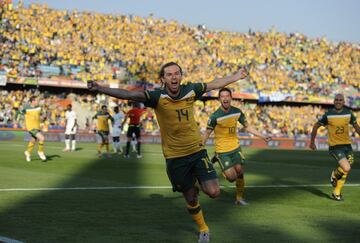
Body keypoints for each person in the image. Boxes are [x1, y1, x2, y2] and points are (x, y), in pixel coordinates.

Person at [88, 61, 248, 243]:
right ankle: (203, 229)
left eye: (177, 73)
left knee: (213, 192)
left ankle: (196, 180)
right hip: (175, 158)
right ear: (163, 79)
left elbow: (214, 84)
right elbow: (128, 94)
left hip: (197, 152)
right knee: (191, 197)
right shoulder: (157, 97)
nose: (174, 77)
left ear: (181, 76)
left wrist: (235, 77)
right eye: (169, 74)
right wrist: (100, 88)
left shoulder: (191, 90)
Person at [202, 88, 272, 205]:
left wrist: (262, 136)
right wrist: (199, 147)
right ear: (219, 99)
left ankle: (239, 198)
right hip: (222, 150)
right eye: (222, 96)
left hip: (235, 147)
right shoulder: (214, 116)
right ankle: (218, 158)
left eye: (227, 96)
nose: (225, 98)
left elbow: (247, 127)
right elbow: (207, 133)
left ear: (231, 98)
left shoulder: (237, 112)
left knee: (240, 171)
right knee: (231, 178)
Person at [310, 94, 360, 201]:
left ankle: (336, 192)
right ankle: (334, 176)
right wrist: (312, 141)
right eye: (336, 100)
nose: (338, 101)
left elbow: (356, 127)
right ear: (333, 101)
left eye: (340, 100)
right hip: (335, 147)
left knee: (346, 169)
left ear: (343, 102)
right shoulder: (328, 115)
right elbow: (316, 126)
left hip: (347, 146)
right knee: (346, 167)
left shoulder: (349, 113)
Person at [23, 96, 47, 162]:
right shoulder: (26, 108)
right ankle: (40, 151)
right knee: (42, 138)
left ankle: (28, 153)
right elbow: (19, 113)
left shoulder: (39, 108)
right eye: (36, 100)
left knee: (33, 140)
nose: (37, 101)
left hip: (37, 126)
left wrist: (43, 117)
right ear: (32, 101)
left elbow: (41, 116)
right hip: (31, 127)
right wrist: (19, 122)